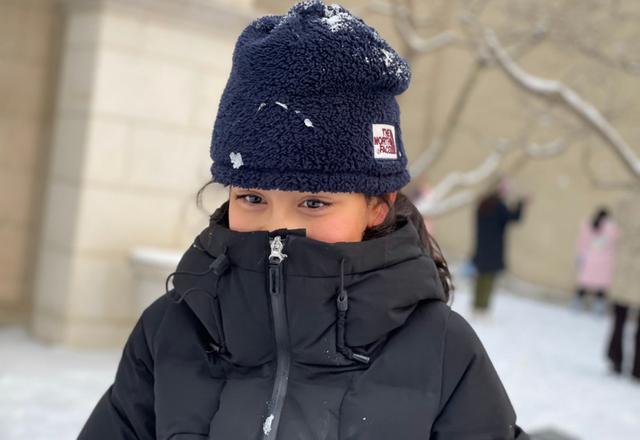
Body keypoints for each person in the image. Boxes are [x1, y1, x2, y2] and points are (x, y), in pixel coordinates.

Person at [79, 2, 528, 438]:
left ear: (378, 204)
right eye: (252, 197)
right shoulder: (170, 330)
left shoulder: (444, 351)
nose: (276, 227)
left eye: (314, 203)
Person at [471, 178, 528, 313]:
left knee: (480, 276)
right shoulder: (498, 206)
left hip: (482, 246)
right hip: (494, 248)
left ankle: (477, 305)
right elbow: (514, 217)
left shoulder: (483, 204)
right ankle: (483, 307)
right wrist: (520, 204)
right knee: (488, 278)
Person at [607, 191, 640, 380]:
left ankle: (616, 358)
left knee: (619, 320)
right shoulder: (628, 200)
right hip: (628, 270)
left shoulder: (627, 200)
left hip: (625, 270)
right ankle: (636, 368)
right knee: (622, 320)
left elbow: (616, 221)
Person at [573, 208, 619, 314]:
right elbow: (616, 238)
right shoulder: (611, 227)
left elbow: (582, 242)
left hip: (589, 258)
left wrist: (580, 256)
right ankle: (598, 308)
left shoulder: (589, 224)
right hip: (604, 262)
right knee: (601, 286)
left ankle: (576, 304)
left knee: (583, 284)